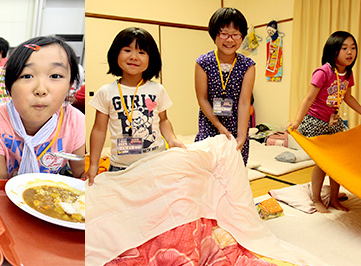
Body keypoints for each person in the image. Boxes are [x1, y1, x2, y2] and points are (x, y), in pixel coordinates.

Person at [288, 31, 361, 213]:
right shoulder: (323, 72)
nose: (349, 52)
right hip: (315, 121)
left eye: (352, 48)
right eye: (344, 48)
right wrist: (297, 121)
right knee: (323, 163)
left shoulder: (347, 73)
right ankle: (316, 199)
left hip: (333, 122)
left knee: (339, 161)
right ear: (333, 50)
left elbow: (348, 97)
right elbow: (308, 98)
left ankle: (334, 199)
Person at [0, 37, 85, 179]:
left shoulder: (75, 121)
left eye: (55, 75)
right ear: (9, 86)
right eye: (27, 76)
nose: (41, 90)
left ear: (70, 85)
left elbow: (82, 175)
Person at [87, 28, 185, 184]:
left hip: (156, 162)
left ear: (151, 58)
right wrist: (93, 164)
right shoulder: (106, 92)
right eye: (127, 50)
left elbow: (164, 120)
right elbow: (99, 129)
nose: (134, 57)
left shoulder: (157, 89)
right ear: (116, 54)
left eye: (141, 52)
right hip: (121, 168)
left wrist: (172, 140)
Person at [194, 7, 256, 165]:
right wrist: (219, 126)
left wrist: (242, 135)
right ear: (214, 34)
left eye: (235, 35)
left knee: (234, 172)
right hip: (210, 124)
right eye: (224, 34)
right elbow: (202, 99)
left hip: (237, 126)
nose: (230, 40)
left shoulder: (248, 65)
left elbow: (244, 102)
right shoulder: (203, 62)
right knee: (208, 170)